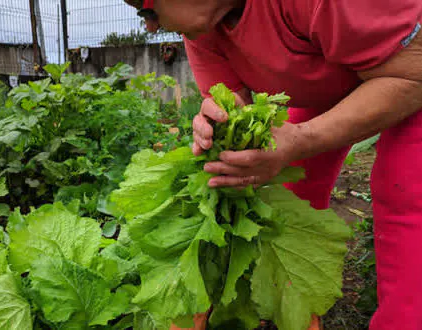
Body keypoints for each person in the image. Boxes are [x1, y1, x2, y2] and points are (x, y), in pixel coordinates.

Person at [124, 1, 422, 329]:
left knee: (406, 195)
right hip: (324, 90)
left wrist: (303, 138)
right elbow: (231, 101)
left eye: (146, 10)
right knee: (288, 206)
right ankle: (297, 310)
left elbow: (412, 74)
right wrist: (220, 126)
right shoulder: (203, 27)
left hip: (407, 75)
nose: (150, 27)